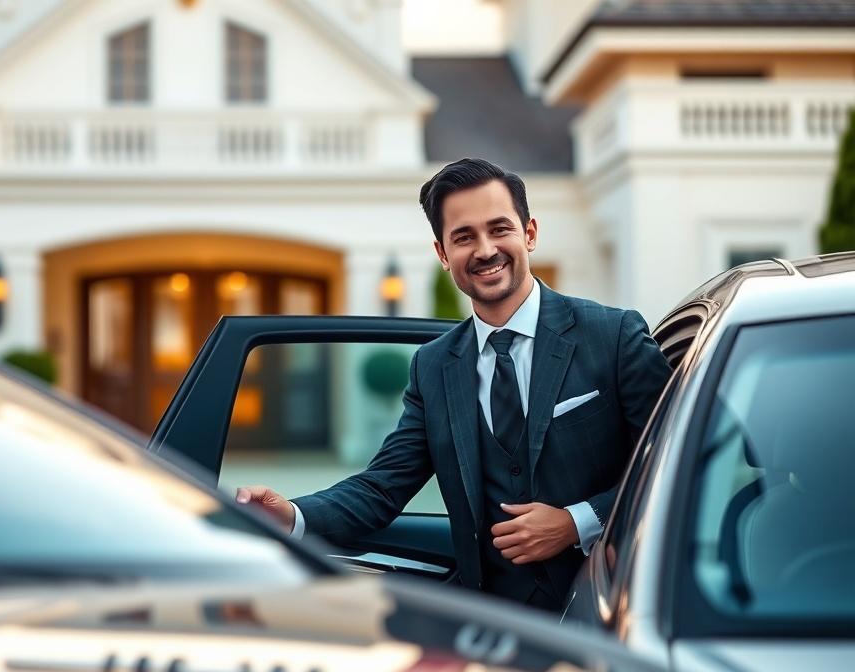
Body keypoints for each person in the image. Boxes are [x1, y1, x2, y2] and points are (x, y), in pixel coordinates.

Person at [237, 158, 671, 611]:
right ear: (444, 255)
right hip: (488, 621)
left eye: (499, 228)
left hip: (608, 607)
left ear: (530, 233)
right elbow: (383, 486)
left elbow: (674, 460)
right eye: (464, 237)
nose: (485, 250)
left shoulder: (613, 335)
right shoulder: (434, 365)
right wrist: (290, 514)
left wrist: (576, 522)